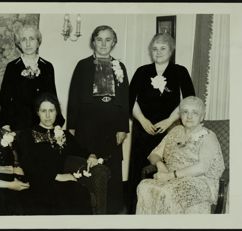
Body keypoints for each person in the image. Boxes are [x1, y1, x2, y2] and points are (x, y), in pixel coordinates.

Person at [127, 33, 195, 213]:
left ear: (171, 50)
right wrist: (142, 120)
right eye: (155, 48)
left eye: (163, 48)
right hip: (143, 129)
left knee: (165, 169)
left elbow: (188, 101)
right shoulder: (142, 71)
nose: (158, 52)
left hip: (169, 130)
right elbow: (130, 100)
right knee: (139, 170)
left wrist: (169, 121)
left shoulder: (181, 72)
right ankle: (136, 211)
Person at [66, 25, 129, 214]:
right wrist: (72, 126)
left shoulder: (120, 66)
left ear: (114, 42)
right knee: (88, 166)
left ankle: (112, 211)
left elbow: (125, 99)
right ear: (93, 42)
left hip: (112, 129)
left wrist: (123, 127)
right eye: (99, 39)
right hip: (87, 126)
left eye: (108, 39)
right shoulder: (82, 65)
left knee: (111, 168)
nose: (103, 43)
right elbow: (73, 98)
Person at [136, 96, 225, 214]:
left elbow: (202, 167)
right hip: (171, 178)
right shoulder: (175, 131)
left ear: (202, 116)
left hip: (198, 182)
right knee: (144, 187)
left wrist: (170, 176)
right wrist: (160, 164)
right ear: (180, 115)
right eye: (185, 112)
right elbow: (154, 154)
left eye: (195, 112)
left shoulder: (208, 136)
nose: (189, 116)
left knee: (168, 193)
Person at [16, 93, 93, 215]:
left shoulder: (64, 135)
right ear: (37, 112)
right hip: (37, 182)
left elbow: (81, 150)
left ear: (56, 112)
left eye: (51, 110)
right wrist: (58, 176)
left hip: (59, 183)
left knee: (80, 192)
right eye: (43, 111)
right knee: (56, 197)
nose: (47, 115)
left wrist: (91, 156)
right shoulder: (27, 135)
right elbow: (28, 164)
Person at [0, 24, 64, 132]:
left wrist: (57, 123)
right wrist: (5, 123)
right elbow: (4, 99)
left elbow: (52, 97)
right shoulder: (12, 67)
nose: (28, 44)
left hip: (42, 124)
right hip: (18, 125)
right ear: (19, 44)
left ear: (38, 42)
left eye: (31, 39)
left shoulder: (47, 66)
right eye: (23, 39)